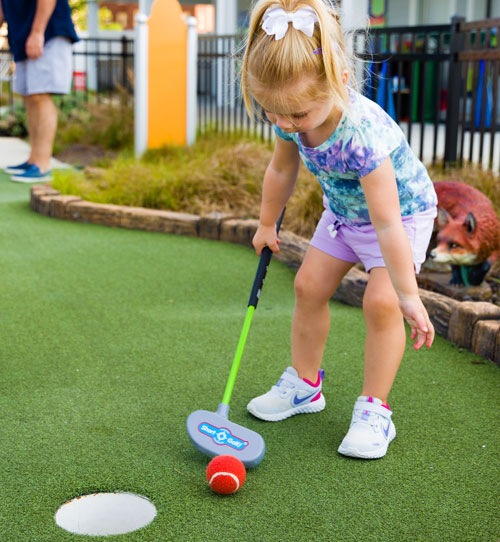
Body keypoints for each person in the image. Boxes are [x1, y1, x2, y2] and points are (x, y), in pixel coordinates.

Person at [240, 0, 438, 459]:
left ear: (340, 81)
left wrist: (408, 293)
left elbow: (388, 221)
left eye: (297, 116)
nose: (286, 124)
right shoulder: (290, 112)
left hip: (400, 217)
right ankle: (306, 386)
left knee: (382, 302)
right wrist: (267, 222)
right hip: (346, 215)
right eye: (275, 113)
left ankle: (374, 409)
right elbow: (280, 171)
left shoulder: (362, 135)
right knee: (308, 286)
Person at [0, 0, 78, 182]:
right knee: (28, 95)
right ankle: (34, 159)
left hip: (47, 31)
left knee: (40, 94)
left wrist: (37, 32)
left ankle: (42, 165)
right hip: (23, 34)